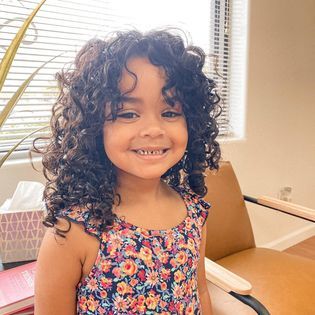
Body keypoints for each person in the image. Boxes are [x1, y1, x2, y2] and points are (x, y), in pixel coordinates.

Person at [34, 28, 221, 315]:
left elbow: (200, 291)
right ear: (94, 127)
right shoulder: (73, 231)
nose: (153, 130)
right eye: (128, 114)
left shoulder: (195, 213)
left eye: (170, 112)